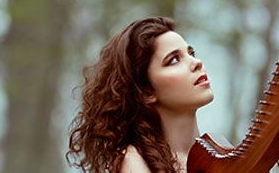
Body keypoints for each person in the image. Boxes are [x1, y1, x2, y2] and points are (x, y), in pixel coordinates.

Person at [67, 16, 214, 173]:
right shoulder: (134, 163)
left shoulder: (219, 157)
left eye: (191, 53)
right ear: (146, 91)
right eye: (173, 60)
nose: (196, 62)